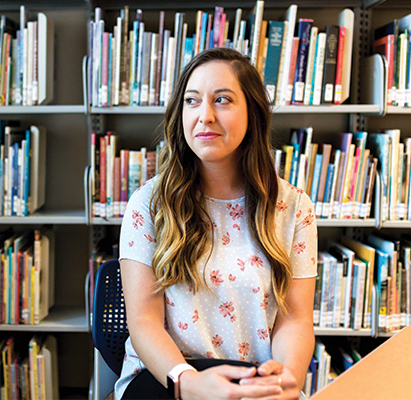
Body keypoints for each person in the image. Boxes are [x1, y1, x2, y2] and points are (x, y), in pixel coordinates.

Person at [116, 47, 318, 400]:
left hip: (251, 381)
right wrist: (187, 382)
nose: (205, 116)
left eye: (222, 100)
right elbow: (144, 322)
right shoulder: (149, 204)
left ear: (253, 113)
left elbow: (295, 319)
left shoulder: (293, 207)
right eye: (192, 101)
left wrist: (288, 376)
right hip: (167, 376)